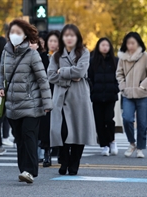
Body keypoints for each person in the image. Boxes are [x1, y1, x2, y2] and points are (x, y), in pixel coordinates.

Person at [0, 19, 53, 184]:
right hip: (12, 105)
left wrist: (47, 104)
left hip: (31, 105)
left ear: (25, 36)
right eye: (12, 32)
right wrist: (0, 88)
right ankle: (23, 170)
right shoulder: (5, 53)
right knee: (19, 139)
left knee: (29, 136)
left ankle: (30, 170)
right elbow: (1, 74)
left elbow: (43, 80)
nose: (14, 35)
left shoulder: (32, 54)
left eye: (18, 32)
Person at [48, 24, 96, 176]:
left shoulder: (84, 52)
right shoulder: (56, 55)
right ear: (62, 38)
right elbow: (50, 75)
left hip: (79, 97)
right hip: (61, 97)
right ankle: (65, 160)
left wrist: (62, 71)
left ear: (77, 37)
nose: (69, 38)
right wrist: (70, 77)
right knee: (61, 131)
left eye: (72, 35)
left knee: (78, 129)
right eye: (66, 35)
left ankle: (75, 162)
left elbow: (81, 72)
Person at [116, 32, 147, 158]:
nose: (130, 45)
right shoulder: (122, 58)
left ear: (138, 43)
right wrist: (123, 87)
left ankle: (140, 148)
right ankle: (132, 143)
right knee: (127, 119)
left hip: (143, 95)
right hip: (128, 95)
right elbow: (119, 74)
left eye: (133, 43)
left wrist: (143, 85)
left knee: (143, 123)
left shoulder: (146, 57)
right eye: (128, 43)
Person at [88, 38, 119, 156]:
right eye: (102, 45)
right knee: (99, 122)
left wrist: (116, 88)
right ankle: (104, 145)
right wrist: (92, 91)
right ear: (98, 46)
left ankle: (112, 141)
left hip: (110, 96)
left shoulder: (115, 61)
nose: (105, 47)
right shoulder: (93, 61)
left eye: (107, 45)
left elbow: (120, 77)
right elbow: (89, 78)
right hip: (96, 96)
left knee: (109, 120)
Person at [39, 30, 60, 167]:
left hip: (59, 92)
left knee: (58, 123)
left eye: (55, 41)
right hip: (45, 93)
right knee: (45, 124)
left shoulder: (62, 57)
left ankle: (58, 150)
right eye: (50, 41)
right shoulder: (41, 56)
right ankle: (46, 152)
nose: (52, 44)